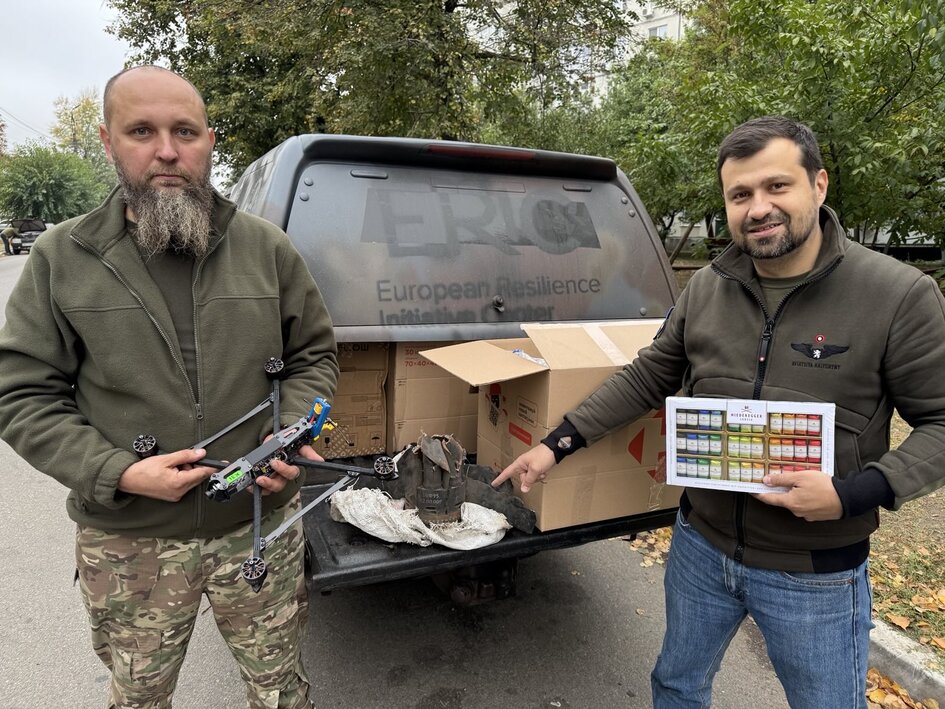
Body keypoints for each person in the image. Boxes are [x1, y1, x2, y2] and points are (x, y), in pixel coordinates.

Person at [494, 116, 945, 708]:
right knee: (677, 686)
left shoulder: (897, 295)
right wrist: (557, 443)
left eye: (776, 186)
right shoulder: (707, 287)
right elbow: (651, 373)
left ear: (819, 185)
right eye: (740, 195)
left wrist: (853, 493)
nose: (758, 208)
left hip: (814, 572)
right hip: (700, 547)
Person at [0, 65, 339, 708]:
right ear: (107, 141)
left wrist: (291, 431)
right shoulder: (60, 257)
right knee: (139, 695)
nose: (165, 150)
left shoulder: (267, 248)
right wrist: (118, 472)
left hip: (258, 528)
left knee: (280, 691)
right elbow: (21, 394)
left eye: (184, 131)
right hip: (130, 542)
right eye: (141, 130)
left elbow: (315, 356)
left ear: (208, 140)